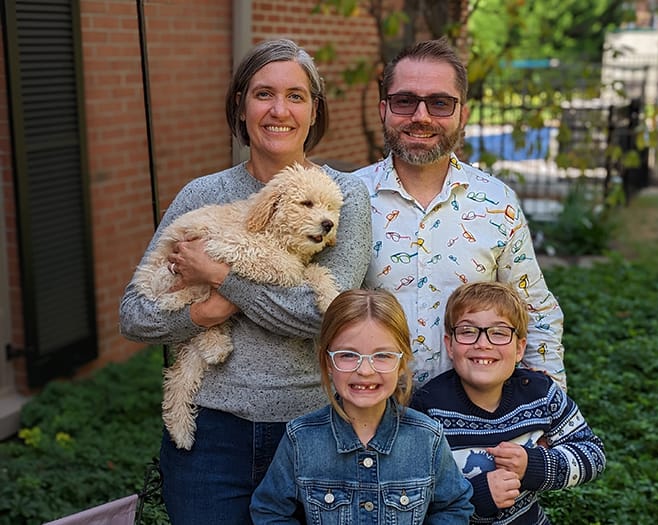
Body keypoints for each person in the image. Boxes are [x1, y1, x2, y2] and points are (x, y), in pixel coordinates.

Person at [119, 39, 372, 525]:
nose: (280, 110)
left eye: (296, 96)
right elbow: (133, 317)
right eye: (263, 94)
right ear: (241, 103)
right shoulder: (203, 194)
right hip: (210, 436)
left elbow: (323, 317)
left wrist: (222, 281)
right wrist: (198, 313)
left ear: (315, 109)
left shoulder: (343, 197)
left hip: (314, 430)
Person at [354, 38, 566, 390]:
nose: (420, 117)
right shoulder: (347, 198)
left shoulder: (496, 203)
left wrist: (547, 415)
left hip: (474, 426)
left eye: (440, 103)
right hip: (370, 419)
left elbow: (537, 314)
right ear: (383, 109)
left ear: (463, 115)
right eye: (405, 101)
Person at [249, 289, 474, 523]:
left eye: (382, 356)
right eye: (348, 355)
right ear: (327, 361)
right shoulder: (301, 438)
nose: (365, 371)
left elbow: (454, 506)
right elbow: (269, 510)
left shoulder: (427, 438)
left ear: (401, 362)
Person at [411, 282, 606, 524]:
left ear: (520, 348)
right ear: (450, 345)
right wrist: (477, 497)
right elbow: (410, 495)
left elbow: (593, 454)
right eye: (468, 331)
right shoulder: (427, 407)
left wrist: (532, 466)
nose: (483, 343)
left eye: (500, 332)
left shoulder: (540, 393)